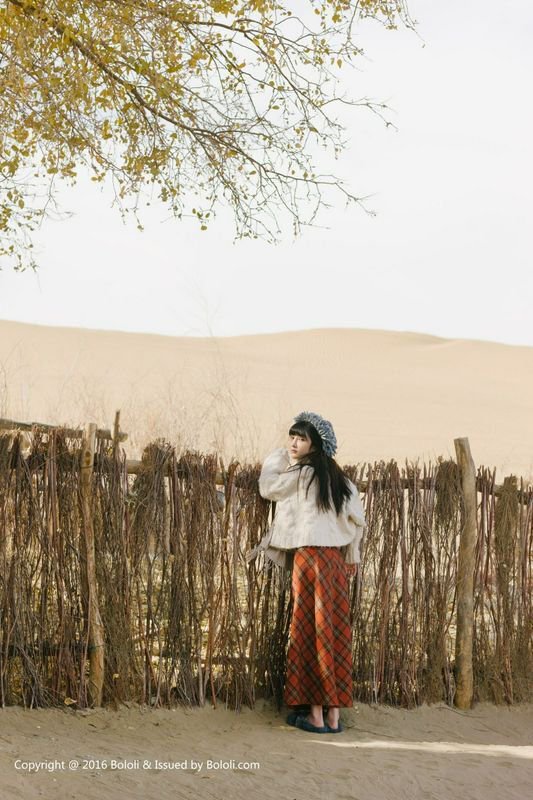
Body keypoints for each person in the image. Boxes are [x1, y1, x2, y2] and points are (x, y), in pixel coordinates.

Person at [253, 411, 366, 734]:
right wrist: (351, 554)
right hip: (334, 562)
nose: (293, 443)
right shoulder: (341, 479)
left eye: (301, 439)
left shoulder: (300, 474)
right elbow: (358, 520)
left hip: (309, 560)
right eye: (291, 437)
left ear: (315, 444)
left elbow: (268, 488)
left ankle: (316, 716)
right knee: (334, 630)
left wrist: (277, 457)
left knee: (310, 631)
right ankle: (334, 717)